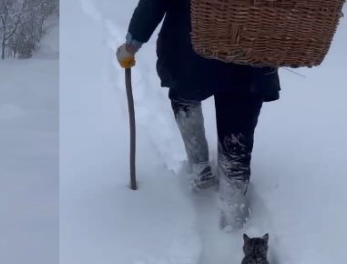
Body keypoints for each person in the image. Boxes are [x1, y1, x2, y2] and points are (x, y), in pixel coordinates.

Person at [115, 0, 280, 231]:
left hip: (191, 50)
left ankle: (200, 168)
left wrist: (131, 45)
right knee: (237, 134)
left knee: (185, 98)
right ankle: (234, 212)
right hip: (250, 55)